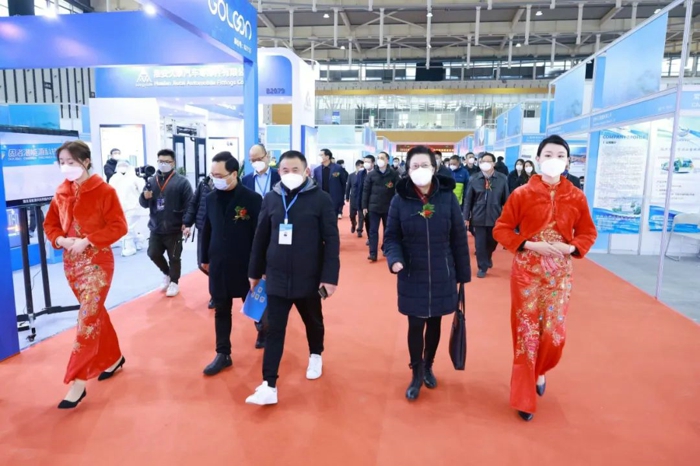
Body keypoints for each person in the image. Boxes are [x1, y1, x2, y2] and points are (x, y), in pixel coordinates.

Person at [492, 135, 597, 422]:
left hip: (559, 275)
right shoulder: (521, 194)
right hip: (526, 273)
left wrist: (571, 248)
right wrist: (529, 244)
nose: (554, 160)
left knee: (553, 333)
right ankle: (524, 397)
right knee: (527, 334)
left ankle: (540, 371)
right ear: (538, 159)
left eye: (560, 155)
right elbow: (501, 229)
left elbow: (588, 232)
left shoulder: (576, 196)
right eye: (548, 155)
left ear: (568, 161)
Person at [246, 150, 340, 406]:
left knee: (313, 321)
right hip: (276, 276)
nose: (290, 174)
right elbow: (260, 237)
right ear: (279, 172)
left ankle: (316, 354)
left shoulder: (321, 199)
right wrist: (254, 272)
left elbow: (331, 241)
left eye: (295, 170)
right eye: (285, 170)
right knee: (273, 329)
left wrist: (329, 278)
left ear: (306, 171)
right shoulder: (271, 198)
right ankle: (269, 385)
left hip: (309, 276)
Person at [43, 141, 128, 409]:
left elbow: (119, 226)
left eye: (71, 162)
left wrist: (88, 240)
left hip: (98, 262)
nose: (66, 167)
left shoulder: (104, 191)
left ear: (86, 161)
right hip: (72, 264)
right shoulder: (61, 192)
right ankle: (114, 358)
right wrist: (60, 240)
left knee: (87, 317)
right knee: (94, 312)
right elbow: (50, 224)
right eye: (62, 162)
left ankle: (77, 382)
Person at [384, 145, 471, 401]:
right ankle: (416, 372)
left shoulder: (447, 197)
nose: (420, 170)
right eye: (415, 166)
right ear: (407, 169)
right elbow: (391, 237)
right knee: (415, 324)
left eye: (425, 165)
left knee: (435, 323)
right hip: (412, 272)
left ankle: (429, 364)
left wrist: (462, 275)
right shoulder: (399, 200)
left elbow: (458, 237)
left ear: (434, 168)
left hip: (443, 272)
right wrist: (395, 260)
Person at [200, 152, 263, 376]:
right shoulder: (210, 198)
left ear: (234, 174)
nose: (215, 179)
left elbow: (260, 235)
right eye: (213, 175)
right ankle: (223, 353)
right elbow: (206, 229)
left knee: (255, 306)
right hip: (219, 263)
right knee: (221, 309)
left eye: (220, 175)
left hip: (246, 264)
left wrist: (261, 266)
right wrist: (203, 258)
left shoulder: (252, 199)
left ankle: (263, 330)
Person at [139, 149, 193, 297]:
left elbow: (190, 204)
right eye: (161, 161)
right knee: (153, 253)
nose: (163, 164)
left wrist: (187, 223)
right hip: (155, 226)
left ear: (173, 163)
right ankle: (167, 273)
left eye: (167, 162)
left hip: (174, 227)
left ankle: (174, 282)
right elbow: (143, 204)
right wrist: (144, 197)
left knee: (174, 257)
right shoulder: (151, 181)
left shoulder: (182, 182)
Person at [463, 152, 509, 278]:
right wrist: (465, 217)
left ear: (494, 163)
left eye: (488, 161)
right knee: (480, 244)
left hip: (495, 217)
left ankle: (487, 258)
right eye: (483, 161)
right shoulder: (474, 179)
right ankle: (482, 267)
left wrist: (507, 218)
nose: (486, 163)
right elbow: (468, 200)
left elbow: (506, 200)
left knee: (492, 243)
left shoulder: (502, 179)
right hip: (478, 217)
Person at [183, 174, 214, 308]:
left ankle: (215, 294)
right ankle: (219, 285)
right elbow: (194, 204)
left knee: (214, 264)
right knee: (202, 264)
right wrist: (187, 223)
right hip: (202, 228)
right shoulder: (203, 184)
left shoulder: (227, 184)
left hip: (219, 231)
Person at [362, 151, 400, 262]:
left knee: (388, 230)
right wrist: (364, 206)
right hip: (373, 207)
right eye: (378, 158)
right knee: (373, 230)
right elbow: (366, 191)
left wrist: (397, 205)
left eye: (382, 158)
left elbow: (397, 190)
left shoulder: (393, 174)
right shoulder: (371, 174)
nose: (380, 160)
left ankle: (386, 248)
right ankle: (373, 253)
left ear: (387, 160)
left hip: (389, 207)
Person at [109, 159, 145, 257]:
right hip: (120, 207)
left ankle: (129, 248)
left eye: (124, 165)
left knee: (127, 228)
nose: (122, 167)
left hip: (133, 206)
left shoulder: (135, 177)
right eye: (120, 165)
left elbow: (143, 191)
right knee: (128, 227)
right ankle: (138, 240)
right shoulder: (114, 178)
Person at [314, 148, 347, 219]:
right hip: (321, 198)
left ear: (327, 157)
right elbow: (315, 184)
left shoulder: (338, 168)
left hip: (334, 198)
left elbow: (343, 183)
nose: (319, 157)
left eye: (321, 155)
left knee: (333, 218)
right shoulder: (317, 170)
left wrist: (342, 198)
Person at [355, 155, 374, 239]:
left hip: (374, 201)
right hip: (362, 201)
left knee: (373, 221)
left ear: (373, 163)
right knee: (366, 221)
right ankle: (370, 237)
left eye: (368, 162)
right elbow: (357, 187)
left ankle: (372, 239)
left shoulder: (376, 173)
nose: (366, 163)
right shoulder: (360, 173)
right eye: (365, 162)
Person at [346, 160, 365, 236]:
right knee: (352, 215)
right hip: (353, 197)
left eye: (363, 166)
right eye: (361, 166)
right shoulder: (351, 176)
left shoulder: (365, 175)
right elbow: (348, 187)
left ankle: (359, 230)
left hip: (362, 198)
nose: (362, 168)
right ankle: (353, 223)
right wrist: (347, 196)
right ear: (357, 166)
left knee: (361, 216)